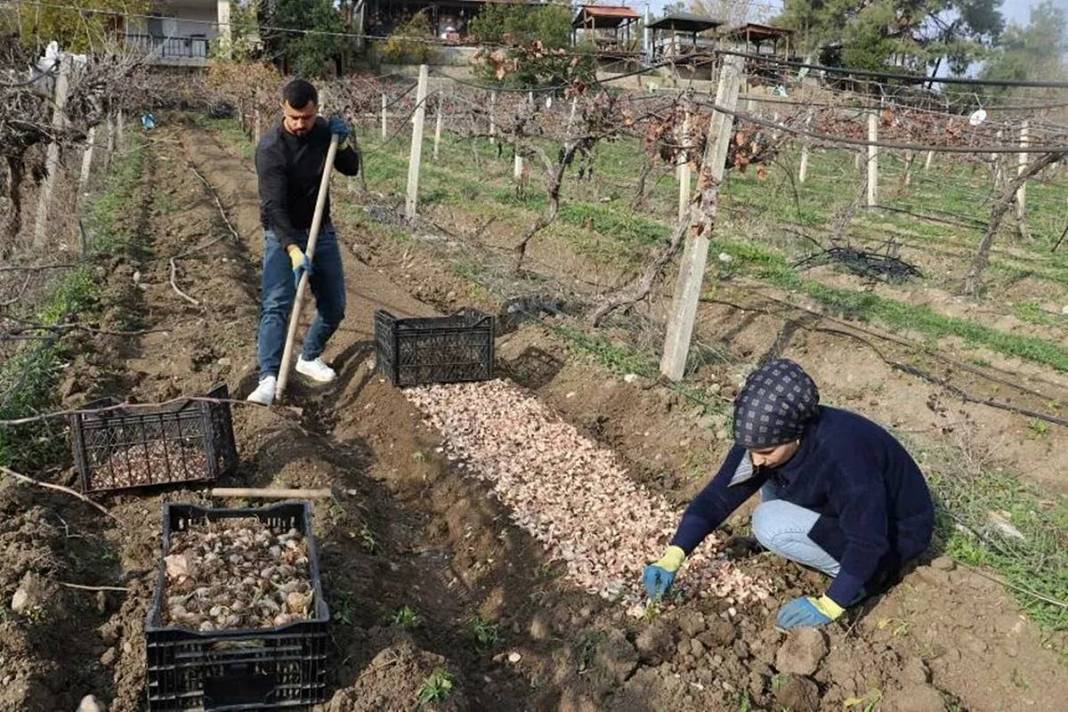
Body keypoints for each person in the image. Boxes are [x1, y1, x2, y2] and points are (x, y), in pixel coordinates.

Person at [643, 359, 934, 630]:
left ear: (797, 434)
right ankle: (819, 547)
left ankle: (865, 580)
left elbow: (869, 540)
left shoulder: (844, 457)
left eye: (766, 451)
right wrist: (673, 555)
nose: (756, 458)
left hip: (895, 536)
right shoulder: (765, 436)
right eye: (752, 449)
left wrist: (832, 604)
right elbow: (719, 496)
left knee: (769, 522)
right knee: (765, 476)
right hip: (846, 510)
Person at [247, 79, 361, 406]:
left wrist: (341, 144)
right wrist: (294, 250)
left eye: (307, 117)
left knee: (335, 307)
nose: (300, 124)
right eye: (294, 117)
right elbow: (273, 208)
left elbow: (350, 169)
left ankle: (308, 357)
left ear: (316, 110)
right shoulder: (271, 149)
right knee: (276, 305)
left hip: (321, 231)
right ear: (283, 110)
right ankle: (268, 377)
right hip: (282, 233)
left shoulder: (326, 132)